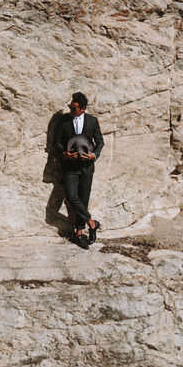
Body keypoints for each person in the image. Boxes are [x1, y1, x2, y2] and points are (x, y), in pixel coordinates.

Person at [50, 91, 104, 249]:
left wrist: (94, 155)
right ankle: (92, 223)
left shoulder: (92, 121)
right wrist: (64, 153)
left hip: (87, 167)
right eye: (70, 107)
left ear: (83, 108)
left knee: (83, 198)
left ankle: (80, 232)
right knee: (72, 197)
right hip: (69, 166)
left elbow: (100, 142)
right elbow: (58, 142)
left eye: (74, 108)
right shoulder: (64, 121)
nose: (71, 111)